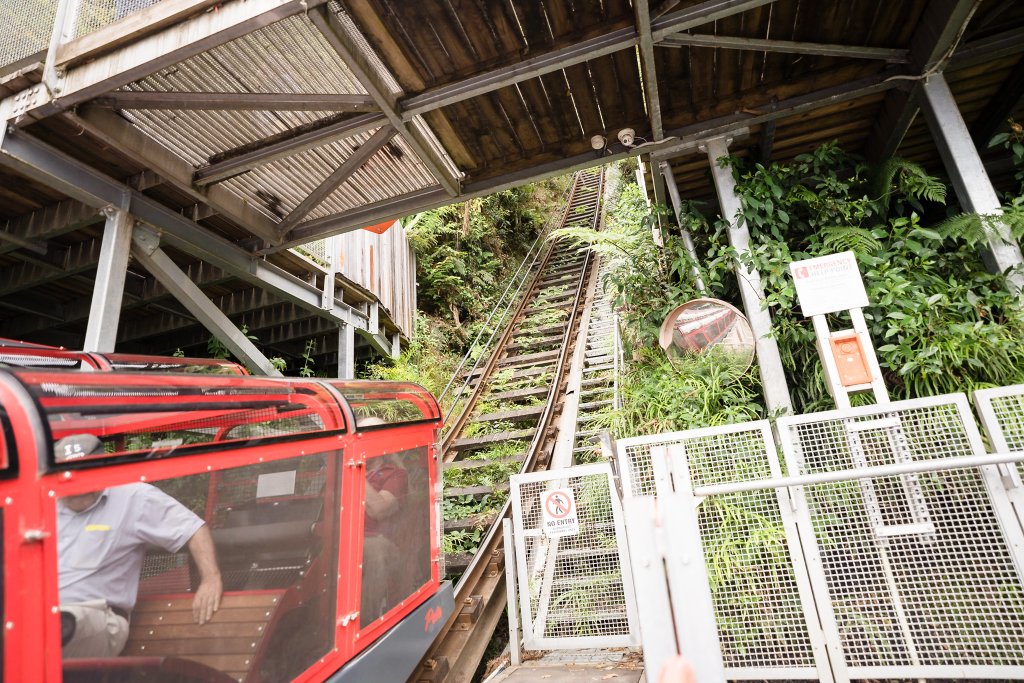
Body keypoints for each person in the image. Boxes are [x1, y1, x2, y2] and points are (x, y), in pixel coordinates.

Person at [55, 433, 223, 659]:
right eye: (67, 477)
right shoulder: (43, 505)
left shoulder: (133, 496)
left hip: (100, 619)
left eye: (82, 474)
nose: (75, 485)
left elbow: (193, 529)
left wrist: (211, 579)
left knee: (58, 625)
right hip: (43, 615)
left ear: (100, 469)